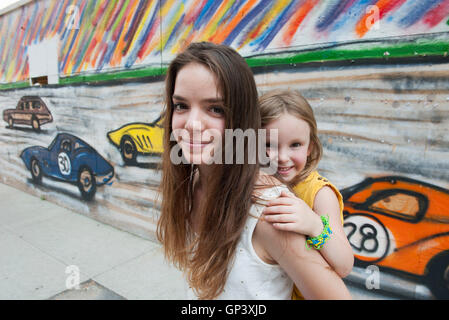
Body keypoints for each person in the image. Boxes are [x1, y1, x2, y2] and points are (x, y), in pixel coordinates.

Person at [156, 41, 351, 300]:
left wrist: (316, 227)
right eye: (181, 105)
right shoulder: (192, 183)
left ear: (242, 118)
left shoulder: (270, 209)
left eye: (215, 108)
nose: (191, 124)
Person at [259, 89, 354, 299]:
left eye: (295, 145)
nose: (283, 157)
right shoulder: (256, 183)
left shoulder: (320, 194)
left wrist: (314, 225)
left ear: (310, 146)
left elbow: (345, 265)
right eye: (269, 145)